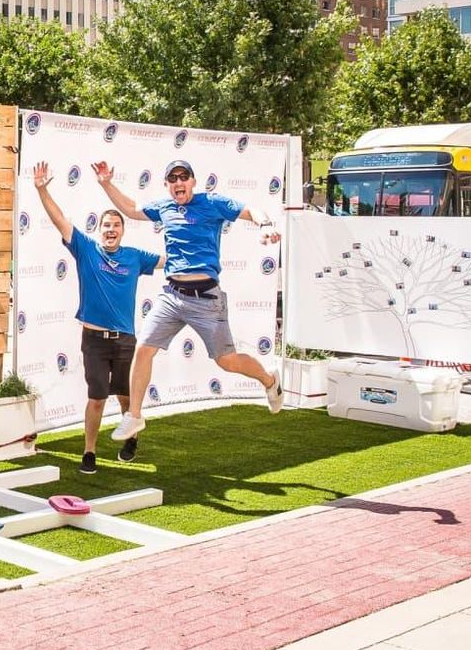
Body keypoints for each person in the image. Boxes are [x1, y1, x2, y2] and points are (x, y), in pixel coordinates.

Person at [91, 159, 284, 442]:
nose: (178, 182)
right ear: (167, 184)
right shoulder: (164, 207)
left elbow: (251, 210)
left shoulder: (212, 202)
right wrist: (106, 183)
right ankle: (133, 416)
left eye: (184, 177)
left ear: (193, 181)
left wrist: (265, 224)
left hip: (206, 299)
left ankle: (270, 381)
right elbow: (131, 209)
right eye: (173, 179)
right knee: (143, 349)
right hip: (171, 296)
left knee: (227, 361)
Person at [33, 161, 164, 474]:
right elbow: (60, 220)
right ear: (99, 229)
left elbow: (169, 261)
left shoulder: (135, 256)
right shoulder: (87, 250)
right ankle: (89, 451)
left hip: (126, 341)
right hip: (94, 341)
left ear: (122, 230)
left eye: (116, 225)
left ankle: (130, 438)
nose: (111, 230)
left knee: (125, 396)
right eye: (106, 225)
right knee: (96, 398)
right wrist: (41, 189)